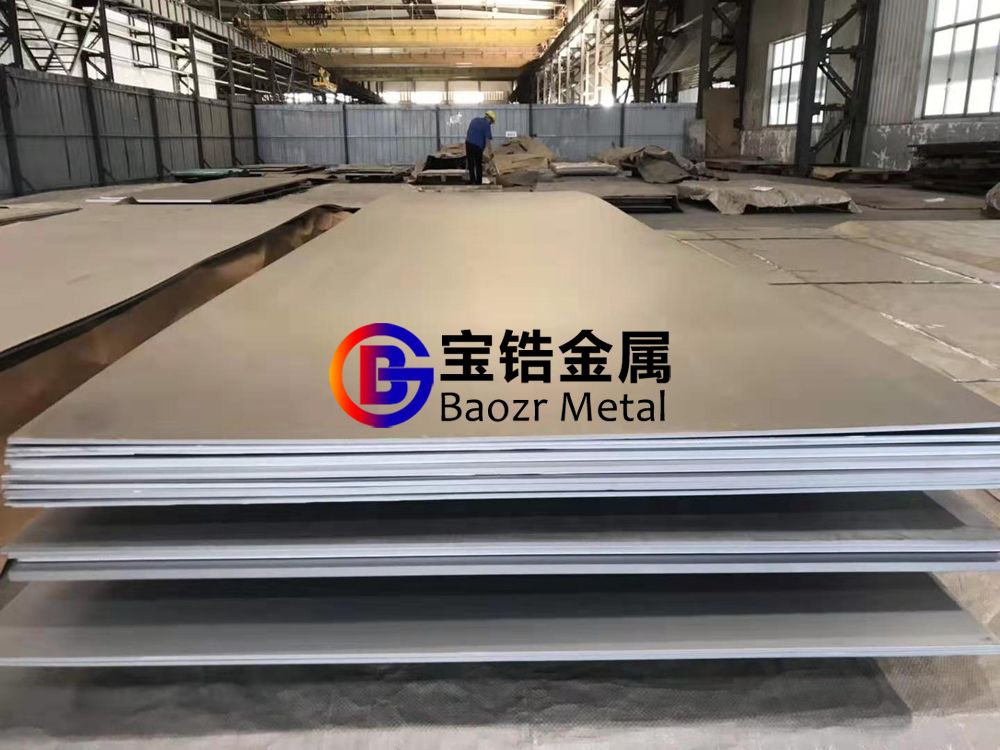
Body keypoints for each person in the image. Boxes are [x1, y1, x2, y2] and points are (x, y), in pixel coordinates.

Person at [465, 110, 496, 185]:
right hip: (477, 147)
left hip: (468, 144)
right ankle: (478, 182)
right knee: (478, 164)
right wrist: (490, 152)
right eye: (491, 122)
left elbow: (468, 132)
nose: (491, 123)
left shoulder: (474, 120)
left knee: (471, 163)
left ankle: (472, 180)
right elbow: (487, 139)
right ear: (489, 119)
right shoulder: (486, 124)